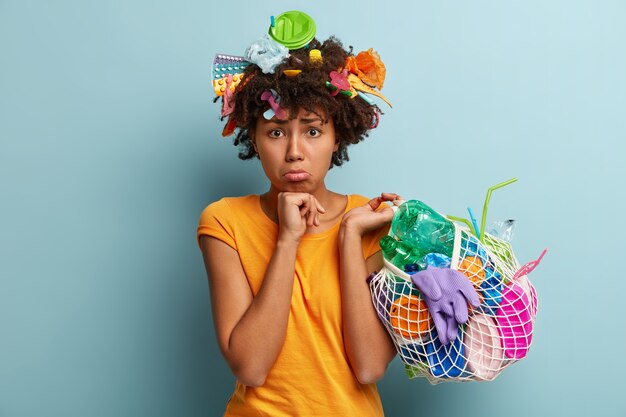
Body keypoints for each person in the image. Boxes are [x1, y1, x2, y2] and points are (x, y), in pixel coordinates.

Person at [197, 11, 398, 416]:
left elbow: (369, 366)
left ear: (337, 134)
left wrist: (348, 237)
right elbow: (251, 367)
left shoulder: (369, 219)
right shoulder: (224, 222)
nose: (293, 151)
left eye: (312, 130)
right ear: (253, 136)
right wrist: (288, 239)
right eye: (275, 132)